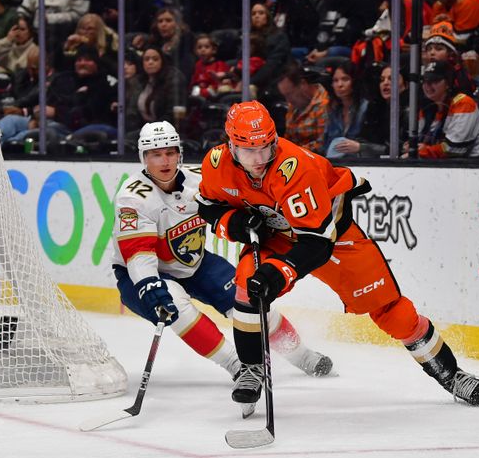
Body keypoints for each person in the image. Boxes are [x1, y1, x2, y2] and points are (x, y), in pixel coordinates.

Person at [196, 100, 479, 409]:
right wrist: (235, 222)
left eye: (266, 148)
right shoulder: (216, 163)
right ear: (231, 146)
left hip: (332, 237)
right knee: (248, 286)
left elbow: (317, 244)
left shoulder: (295, 168)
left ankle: (452, 375)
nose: (259, 159)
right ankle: (252, 368)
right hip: (277, 235)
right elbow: (208, 207)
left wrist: (279, 271)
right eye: (248, 151)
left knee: (394, 313)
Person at [111, 121, 334, 389]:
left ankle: (303, 356)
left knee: (250, 301)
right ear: (143, 158)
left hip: (196, 264)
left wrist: (247, 219)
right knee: (178, 307)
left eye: (170, 152)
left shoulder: (199, 179)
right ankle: (239, 368)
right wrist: (149, 284)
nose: (165, 160)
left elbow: (236, 203)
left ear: (179, 153)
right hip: (140, 278)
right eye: (156, 154)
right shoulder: (133, 197)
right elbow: (138, 253)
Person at [414, 60, 479, 158]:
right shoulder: (427, 108)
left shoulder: (464, 103)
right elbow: (422, 139)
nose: (427, 85)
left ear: (448, 83)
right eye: (425, 81)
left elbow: (455, 149)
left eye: (434, 81)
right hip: (441, 166)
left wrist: (421, 152)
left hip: (473, 166)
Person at [277, 61, 330, 154]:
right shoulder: (293, 106)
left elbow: (322, 145)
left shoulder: (325, 105)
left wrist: (294, 152)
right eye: (285, 96)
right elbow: (288, 138)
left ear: (303, 84)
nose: (288, 100)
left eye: (290, 94)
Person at [323, 60, 369, 158]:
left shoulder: (367, 108)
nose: (340, 85)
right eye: (335, 80)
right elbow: (326, 145)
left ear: (355, 81)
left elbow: (376, 145)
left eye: (345, 79)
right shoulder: (333, 111)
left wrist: (360, 147)